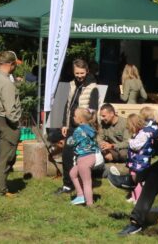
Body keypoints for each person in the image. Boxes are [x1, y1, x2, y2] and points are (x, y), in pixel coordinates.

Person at [55, 59, 100, 194]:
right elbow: (67, 106)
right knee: (67, 155)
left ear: (87, 71)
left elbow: (93, 110)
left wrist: (85, 125)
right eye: (77, 73)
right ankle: (67, 185)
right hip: (71, 127)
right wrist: (64, 124)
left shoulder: (93, 88)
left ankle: (84, 183)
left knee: (83, 158)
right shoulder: (70, 85)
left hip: (84, 129)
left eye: (82, 73)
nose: (79, 75)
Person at [0, 50, 21, 196]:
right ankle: (1, 188)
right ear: (11, 64)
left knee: (4, 155)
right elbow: (10, 110)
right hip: (7, 122)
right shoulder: (6, 82)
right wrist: (15, 123)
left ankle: (0, 186)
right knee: (6, 157)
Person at [125, 107, 158, 203]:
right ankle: (133, 196)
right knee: (133, 179)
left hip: (140, 161)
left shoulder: (144, 134)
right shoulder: (142, 132)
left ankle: (138, 199)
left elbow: (136, 146)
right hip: (135, 160)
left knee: (137, 180)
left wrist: (129, 141)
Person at [67, 107, 99, 206]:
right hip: (91, 157)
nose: (73, 117)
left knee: (87, 182)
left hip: (84, 158)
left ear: (80, 119)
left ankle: (89, 204)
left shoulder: (79, 130)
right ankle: (80, 195)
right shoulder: (90, 128)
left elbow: (71, 142)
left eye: (75, 116)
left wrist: (68, 139)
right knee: (73, 173)